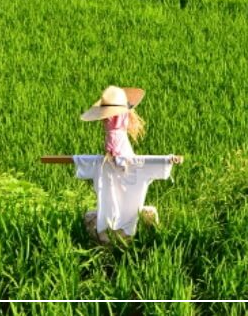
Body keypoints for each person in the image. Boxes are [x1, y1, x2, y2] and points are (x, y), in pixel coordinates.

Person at [77, 86, 181, 242]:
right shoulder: (117, 129)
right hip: (123, 169)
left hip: (120, 165)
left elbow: (115, 148)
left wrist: (114, 157)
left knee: (120, 183)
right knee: (124, 185)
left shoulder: (114, 133)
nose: (105, 120)